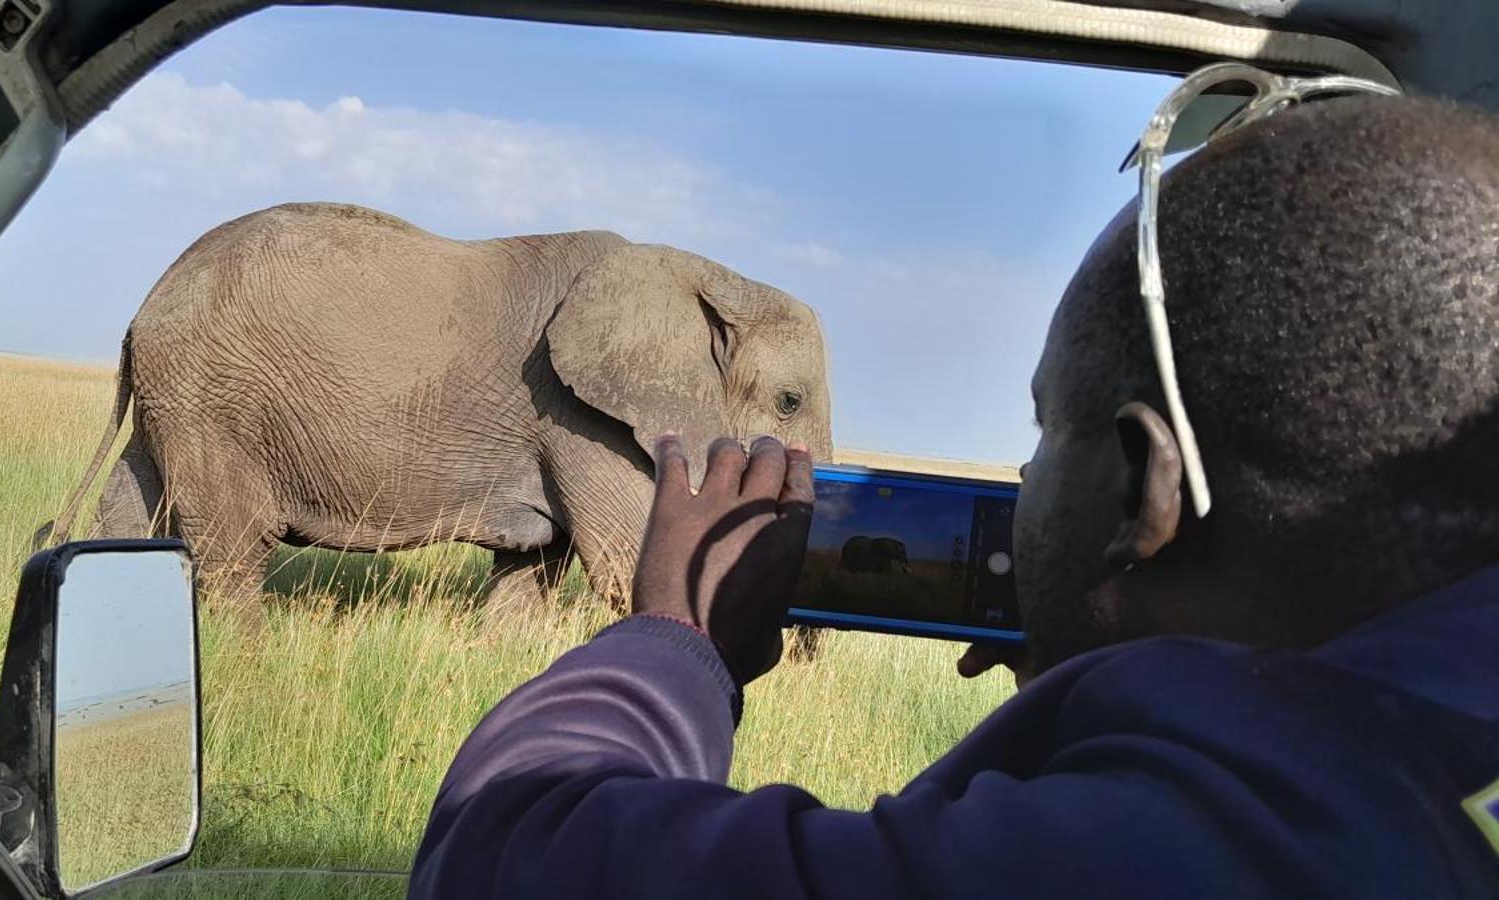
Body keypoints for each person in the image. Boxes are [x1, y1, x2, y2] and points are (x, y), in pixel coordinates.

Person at [410, 92, 1499, 898]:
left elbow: (506, 851)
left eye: (1042, 434)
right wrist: (1105, 675)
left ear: (1138, 494)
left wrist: (673, 639)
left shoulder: (1155, 848)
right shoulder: (1405, 780)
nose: (1025, 484)